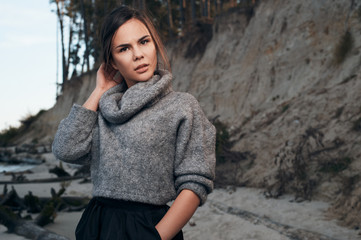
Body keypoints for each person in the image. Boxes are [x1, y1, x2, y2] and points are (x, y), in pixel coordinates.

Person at [52, 5, 216, 240]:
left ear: (155, 44)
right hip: (96, 227)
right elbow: (65, 149)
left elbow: (195, 182)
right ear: (112, 63)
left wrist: (155, 236)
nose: (138, 54)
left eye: (144, 42)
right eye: (124, 48)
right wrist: (99, 90)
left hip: (149, 229)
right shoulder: (104, 110)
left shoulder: (182, 106)